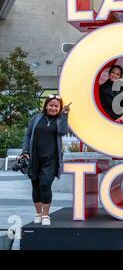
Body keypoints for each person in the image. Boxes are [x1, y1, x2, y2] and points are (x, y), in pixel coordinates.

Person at [19, 95, 71, 226]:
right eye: (51, 105)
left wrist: (65, 115)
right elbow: (28, 135)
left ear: (59, 108)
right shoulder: (36, 118)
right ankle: (38, 213)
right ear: (46, 105)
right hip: (34, 156)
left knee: (45, 184)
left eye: (56, 106)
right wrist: (25, 152)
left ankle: (46, 215)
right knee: (35, 185)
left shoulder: (60, 120)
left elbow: (64, 132)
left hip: (51, 158)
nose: (53, 108)